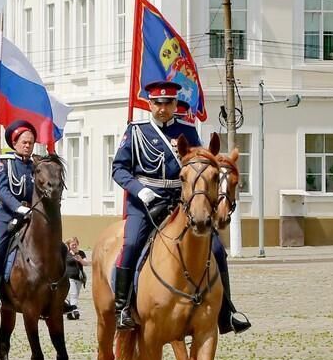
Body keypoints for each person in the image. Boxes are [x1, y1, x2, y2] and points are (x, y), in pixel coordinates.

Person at [112, 81, 251, 334]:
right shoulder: (136, 132)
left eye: (168, 103)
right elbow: (118, 169)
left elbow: (201, 163)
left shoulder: (186, 130)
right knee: (132, 244)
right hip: (144, 202)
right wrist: (140, 190)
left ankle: (226, 312)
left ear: (175, 105)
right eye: (157, 103)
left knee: (217, 248)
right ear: (149, 104)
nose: (162, 109)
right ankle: (122, 307)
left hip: (181, 200)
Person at [0, 120, 37, 317]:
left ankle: (56, 290)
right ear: (14, 143)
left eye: (31, 142)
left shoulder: (35, 165)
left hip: (33, 215)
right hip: (7, 214)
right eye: (24, 142)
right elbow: (2, 189)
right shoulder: (4, 163)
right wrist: (17, 208)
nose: (28, 145)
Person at [65, 237, 88, 320]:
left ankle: (69, 313)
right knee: (73, 294)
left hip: (79, 278)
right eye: (72, 245)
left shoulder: (81, 253)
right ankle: (75, 311)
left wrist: (80, 260)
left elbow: (86, 263)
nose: (74, 246)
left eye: (75, 244)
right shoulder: (66, 253)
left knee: (74, 296)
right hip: (69, 278)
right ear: (69, 245)